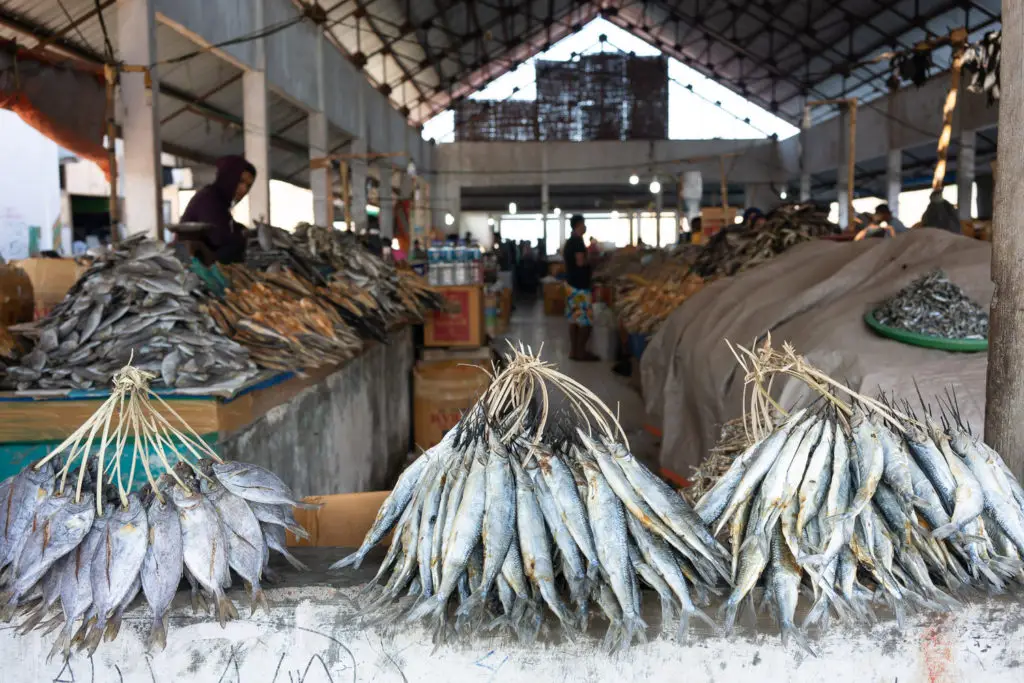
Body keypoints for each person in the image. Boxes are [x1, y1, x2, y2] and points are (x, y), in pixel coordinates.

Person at [179, 155, 256, 264]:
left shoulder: (221, 202)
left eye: (248, 186)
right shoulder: (209, 199)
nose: (244, 189)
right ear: (228, 177)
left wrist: (242, 230)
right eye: (240, 181)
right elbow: (219, 238)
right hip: (192, 266)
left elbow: (225, 226)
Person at [563, 214, 598, 361]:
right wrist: (594, 259)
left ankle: (574, 351)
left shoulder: (570, 241)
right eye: (584, 224)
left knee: (574, 319)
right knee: (585, 321)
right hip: (580, 287)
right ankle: (581, 351)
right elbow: (580, 262)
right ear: (579, 225)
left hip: (571, 285)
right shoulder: (577, 242)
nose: (585, 227)